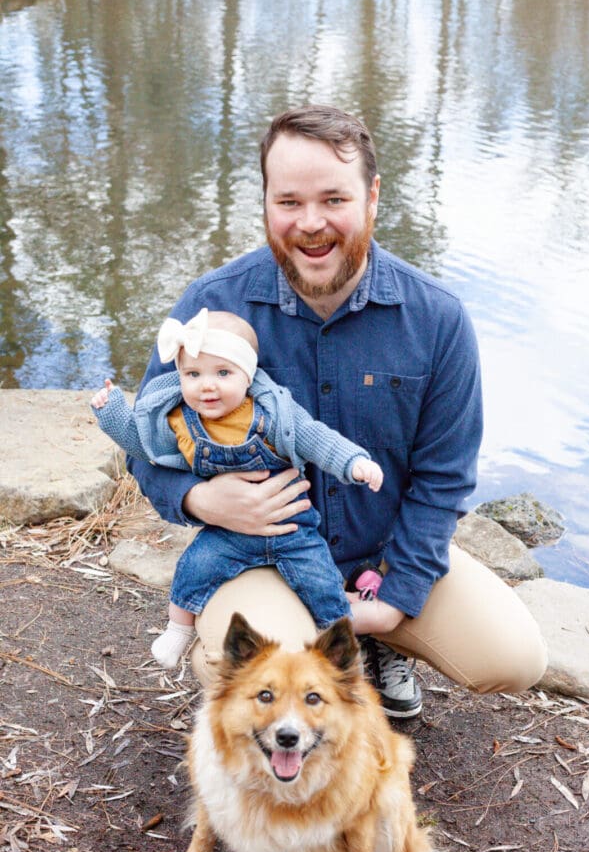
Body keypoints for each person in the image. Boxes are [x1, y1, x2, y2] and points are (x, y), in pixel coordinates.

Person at [127, 104, 548, 717]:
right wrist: (198, 500)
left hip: (384, 551)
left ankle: (380, 641)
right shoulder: (211, 306)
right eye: (289, 201)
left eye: (334, 199)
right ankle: (283, 654)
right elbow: (144, 444)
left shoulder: (437, 319)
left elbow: (444, 477)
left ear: (371, 196)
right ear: (265, 201)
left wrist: (398, 595)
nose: (311, 223)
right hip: (264, 557)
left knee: (514, 657)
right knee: (270, 679)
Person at [91, 308, 385, 667]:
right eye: (193, 374)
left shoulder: (272, 412)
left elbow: (315, 438)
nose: (207, 385)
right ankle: (177, 630)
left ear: (248, 375)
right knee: (195, 567)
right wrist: (111, 413)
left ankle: (341, 645)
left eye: (223, 373)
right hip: (228, 531)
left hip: (292, 530)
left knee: (321, 580)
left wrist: (354, 463)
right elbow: (142, 447)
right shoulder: (179, 420)